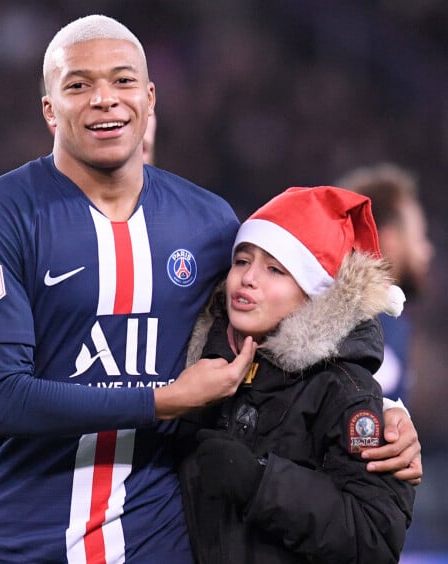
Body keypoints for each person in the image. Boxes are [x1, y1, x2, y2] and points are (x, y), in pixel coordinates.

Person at [0, 14, 256, 562]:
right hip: (18, 543)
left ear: (150, 96)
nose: (104, 99)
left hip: (156, 540)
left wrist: (383, 412)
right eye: (78, 85)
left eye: (122, 80)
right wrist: (164, 400)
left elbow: (282, 342)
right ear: (49, 109)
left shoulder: (210, 223)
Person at [177, 186, 415, 563]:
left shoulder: (344, 390)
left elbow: (375, 539)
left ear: (313, 295)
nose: (249, 278)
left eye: (275, 269)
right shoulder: (203, 368)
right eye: (241, 260)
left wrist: (261, 483)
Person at [0, 102, 157, 452]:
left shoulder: (172, 237)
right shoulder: (36, 237)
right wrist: (21, 468)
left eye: (135, 143)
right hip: (71, 491)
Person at [335, 163, 434, 404]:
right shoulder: (364, 323)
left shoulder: (390, 320)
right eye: (420, 237)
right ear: (390, 239)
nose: (428, 251)